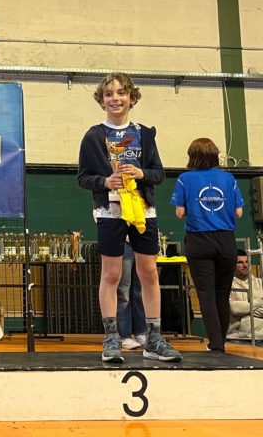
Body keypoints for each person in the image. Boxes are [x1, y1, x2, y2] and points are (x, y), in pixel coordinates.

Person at [77, 72, 182, 363]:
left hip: (143, 210)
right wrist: (104, 182)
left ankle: (153, 338)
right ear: (101, 101)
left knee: (148, 272)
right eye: (109, 94)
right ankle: (112, 337)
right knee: (111, 274)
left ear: (132, 98)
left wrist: (140, 173)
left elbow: (159, 174)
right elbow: (83, 177)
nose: (115, 98)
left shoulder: (145, 134)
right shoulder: (94, 135)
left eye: (121, 93)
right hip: (110, 211)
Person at [171, 137, 243, 352]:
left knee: (206, 294)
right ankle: (222, 341)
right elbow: (239, 212)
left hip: (199, 239)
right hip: (226, 240)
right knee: (223, 293)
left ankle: (216, 343)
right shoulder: (228, 178)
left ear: (192, 157)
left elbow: (180, 213)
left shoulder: (185, 179)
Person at [117, 238, 147, 350]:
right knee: (123, 292)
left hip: (141, 242)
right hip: (123, 243)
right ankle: (124, 336)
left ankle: (141, 332)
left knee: (139, 291)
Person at [227, 250, 263, 341]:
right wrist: (260, 302)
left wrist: (243, 306)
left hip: (260, 336)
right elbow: (235, 309)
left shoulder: (260, 283)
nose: (245, 265)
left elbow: (238, 308)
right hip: (235, 338)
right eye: (240, 262)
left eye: (247, 262)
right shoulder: (227, 285)